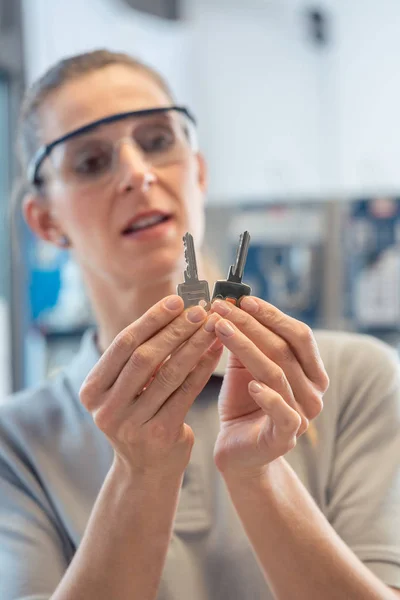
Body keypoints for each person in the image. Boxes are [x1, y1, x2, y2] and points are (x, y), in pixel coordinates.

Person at [0, 49, 400, 600]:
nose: (138, 174)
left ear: (200, 171)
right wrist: (140, 477)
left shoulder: (355, 379)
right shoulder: (17, 444)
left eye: (158, 140)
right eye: (92, 162)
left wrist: (258, 477)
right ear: (46, 220)